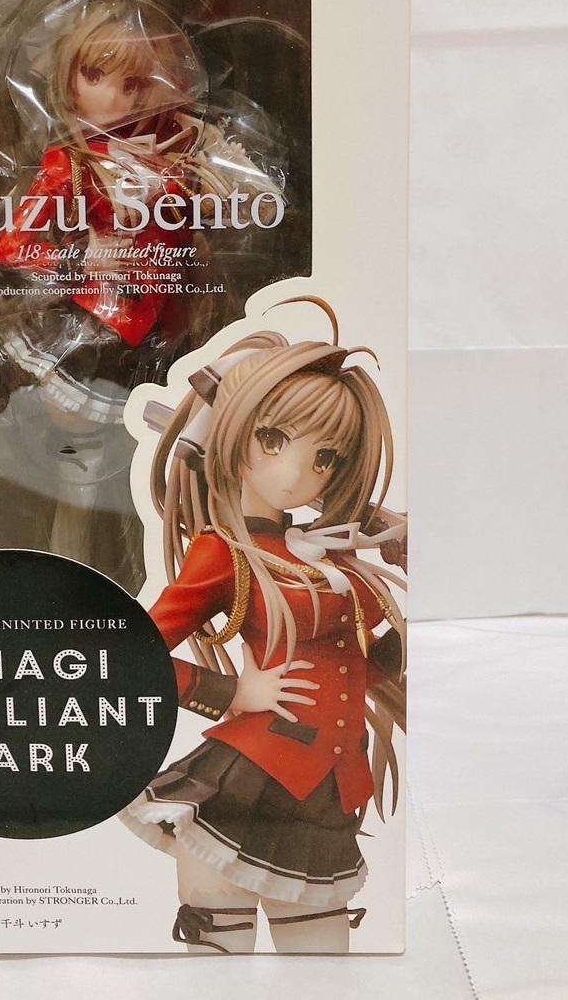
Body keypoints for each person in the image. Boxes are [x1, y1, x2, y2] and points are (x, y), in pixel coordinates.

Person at [121, 297, 406, 953]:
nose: (297, 473)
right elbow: (131, 654)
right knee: (220, 960)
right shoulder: (223, 552)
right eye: (273, 441)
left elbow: (369, 666)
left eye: (324, 457)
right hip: (247, 782)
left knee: (323, 969)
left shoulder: (332, 556)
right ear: (233, 436)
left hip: (326, 793)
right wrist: (232, 692)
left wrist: (413, 572)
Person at [0, 0, 281, 590]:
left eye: (138, 81)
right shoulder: (69, 166)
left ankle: (154, 584)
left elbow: (258, 206)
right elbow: (12, 248)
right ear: (69, 82)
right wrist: (81, 256)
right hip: (96, 337)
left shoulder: (186, 151)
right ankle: (73, 587)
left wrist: (217, 192)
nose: (119, 97)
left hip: (175, 334)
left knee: (161, 473)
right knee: (84, 475)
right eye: (97, 76)